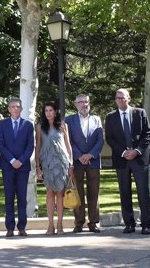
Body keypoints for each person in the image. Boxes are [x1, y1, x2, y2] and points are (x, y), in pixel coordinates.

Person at [105, 88, 150, 235]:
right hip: (122, 160)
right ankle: (129, 224)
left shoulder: (140, 113)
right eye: (118, 98)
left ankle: (146, 224)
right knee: (125, 192)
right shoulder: (110, 117)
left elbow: (147, 133)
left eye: (123, 97)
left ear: (129, 98)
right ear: (115, 100)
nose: (121, 100)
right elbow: (110, 138)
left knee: (143, 192)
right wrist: (124, 152)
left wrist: (136, 151)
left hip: (139, 159)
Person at [65, 94, 104, 233]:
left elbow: (100, 140)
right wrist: (79, 155)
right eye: (81, 102)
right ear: (75, 104)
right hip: (77, 161)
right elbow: (68, 141)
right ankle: (79, 222)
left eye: (86, 102)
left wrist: (90, 155)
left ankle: (93, 222)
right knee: (78, 192)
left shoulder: (97, 119)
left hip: (93, 161)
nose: (84, 104)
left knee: (94, 193)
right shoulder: (69, 120)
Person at [0, 98, 34, 237]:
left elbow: (30, 146)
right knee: (9, 197)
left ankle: (22, 227)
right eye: (12, 107)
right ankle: (10, 227)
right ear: (9, 109)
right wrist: (12, 160)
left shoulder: (28, 125)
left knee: (22, 198)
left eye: (18, 106)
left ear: (21, 108)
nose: (15, 109)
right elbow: (1, 144)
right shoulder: (3, 124)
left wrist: (21, 161)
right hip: (8, 166)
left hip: (23, 167)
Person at [35, 102, 73, 235]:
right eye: (46, 110)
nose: (48, 113)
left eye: (51, 110)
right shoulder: (40, 127)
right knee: (50, 193)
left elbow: (68, 146)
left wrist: (71, 164)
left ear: (55, 111)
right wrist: (37, 166)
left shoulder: (63, 126)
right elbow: (38, 146)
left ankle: (60, 224)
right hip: (47, 163)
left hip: (61, 162)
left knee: (60, 193)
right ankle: (50, 225)